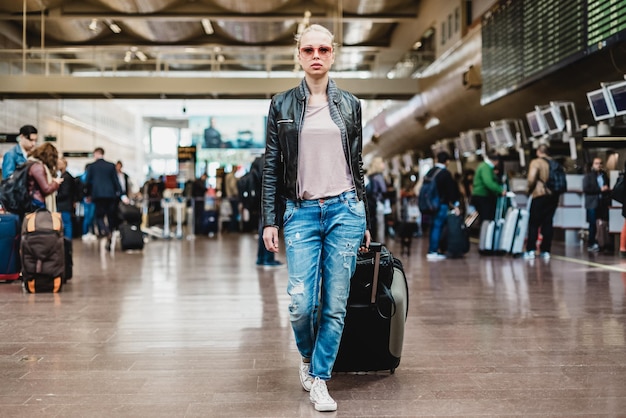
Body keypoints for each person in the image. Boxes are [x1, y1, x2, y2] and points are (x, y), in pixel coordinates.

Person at [261, 24, 370, 413]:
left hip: (345, 210)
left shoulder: (351, 105)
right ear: (299, 55)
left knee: (335, 303)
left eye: (324, 49)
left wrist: (365, 218)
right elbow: (272, 166)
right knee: (300, 303)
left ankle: (321, 377)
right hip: (300, 212)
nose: (316, 56)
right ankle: (307, 358)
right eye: (309, 50)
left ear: (333, 53)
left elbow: (357, 165)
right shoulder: (282, 105)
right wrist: (269, 220)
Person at [524, 144, 560, 260]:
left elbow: (531, 179)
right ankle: (546, 251)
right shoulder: (555, 163)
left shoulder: (536, 162)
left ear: (538, 152)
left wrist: (528, 190)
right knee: (548, 223)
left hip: (539, 195)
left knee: (534, 223)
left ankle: (531, 249)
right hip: (553, 196)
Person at [424, 151, 461, 260]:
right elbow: (450, 191)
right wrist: (456, 205)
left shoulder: (430, 172)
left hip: (430, 205)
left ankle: (433, 249)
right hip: (441, 204)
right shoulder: (445, 173)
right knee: (438, 227)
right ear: (447, 161)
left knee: (433, 227)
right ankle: (433, 251)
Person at [85, 147, 123, 252]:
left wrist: (87, 194)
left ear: (96, 154)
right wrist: (121, 194)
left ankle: (106, 232)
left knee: (99, 216)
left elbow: (88, 182)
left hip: (98, 195)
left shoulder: (92, 166)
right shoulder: (111, 166)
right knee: (110, 216)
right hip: (111, 195)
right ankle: (109, 235)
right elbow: (116, 181)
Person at [583, 157, 610, 252]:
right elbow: (586, 189)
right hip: (592, 203)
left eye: (600, 163)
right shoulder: (589, 176)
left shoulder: (604, 176)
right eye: (596, 163)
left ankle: (602, 242)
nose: (599, 165)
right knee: (592, 224)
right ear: (593, 165)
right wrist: (600, 190)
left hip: (602, 203)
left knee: (602, 223)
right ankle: (591, 243)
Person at [27, 142, 63, 212]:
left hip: (33, 202)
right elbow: (46, 189)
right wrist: (56, 183)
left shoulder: (32, 164)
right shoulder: (38, 167)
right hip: (37, 203)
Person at [471, 153, 506, 225]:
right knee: (486, 219)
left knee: (483, 219)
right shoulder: (486, 167)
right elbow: (488, 182)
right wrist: (500, 190)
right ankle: (485, 235)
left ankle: (484, 234)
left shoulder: (483, 166)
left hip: (479, 195)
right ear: (496, 161)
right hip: (482, 196)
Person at [365, 157, 387, 242]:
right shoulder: (379, 176)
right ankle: (381, 243)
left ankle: (371, 241)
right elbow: (383, 189)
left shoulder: (369, 176)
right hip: (378, 202)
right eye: (382, 163)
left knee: (372, 223)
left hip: (370, 203)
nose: (384, 165)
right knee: (380, 225)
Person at [56, 157, 77, 239]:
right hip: (65, 203)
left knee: (66, 224)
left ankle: (67, 241)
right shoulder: (64, 176)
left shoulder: (66, 177)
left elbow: (65, 192)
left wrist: (55, 197)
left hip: (64, 204)